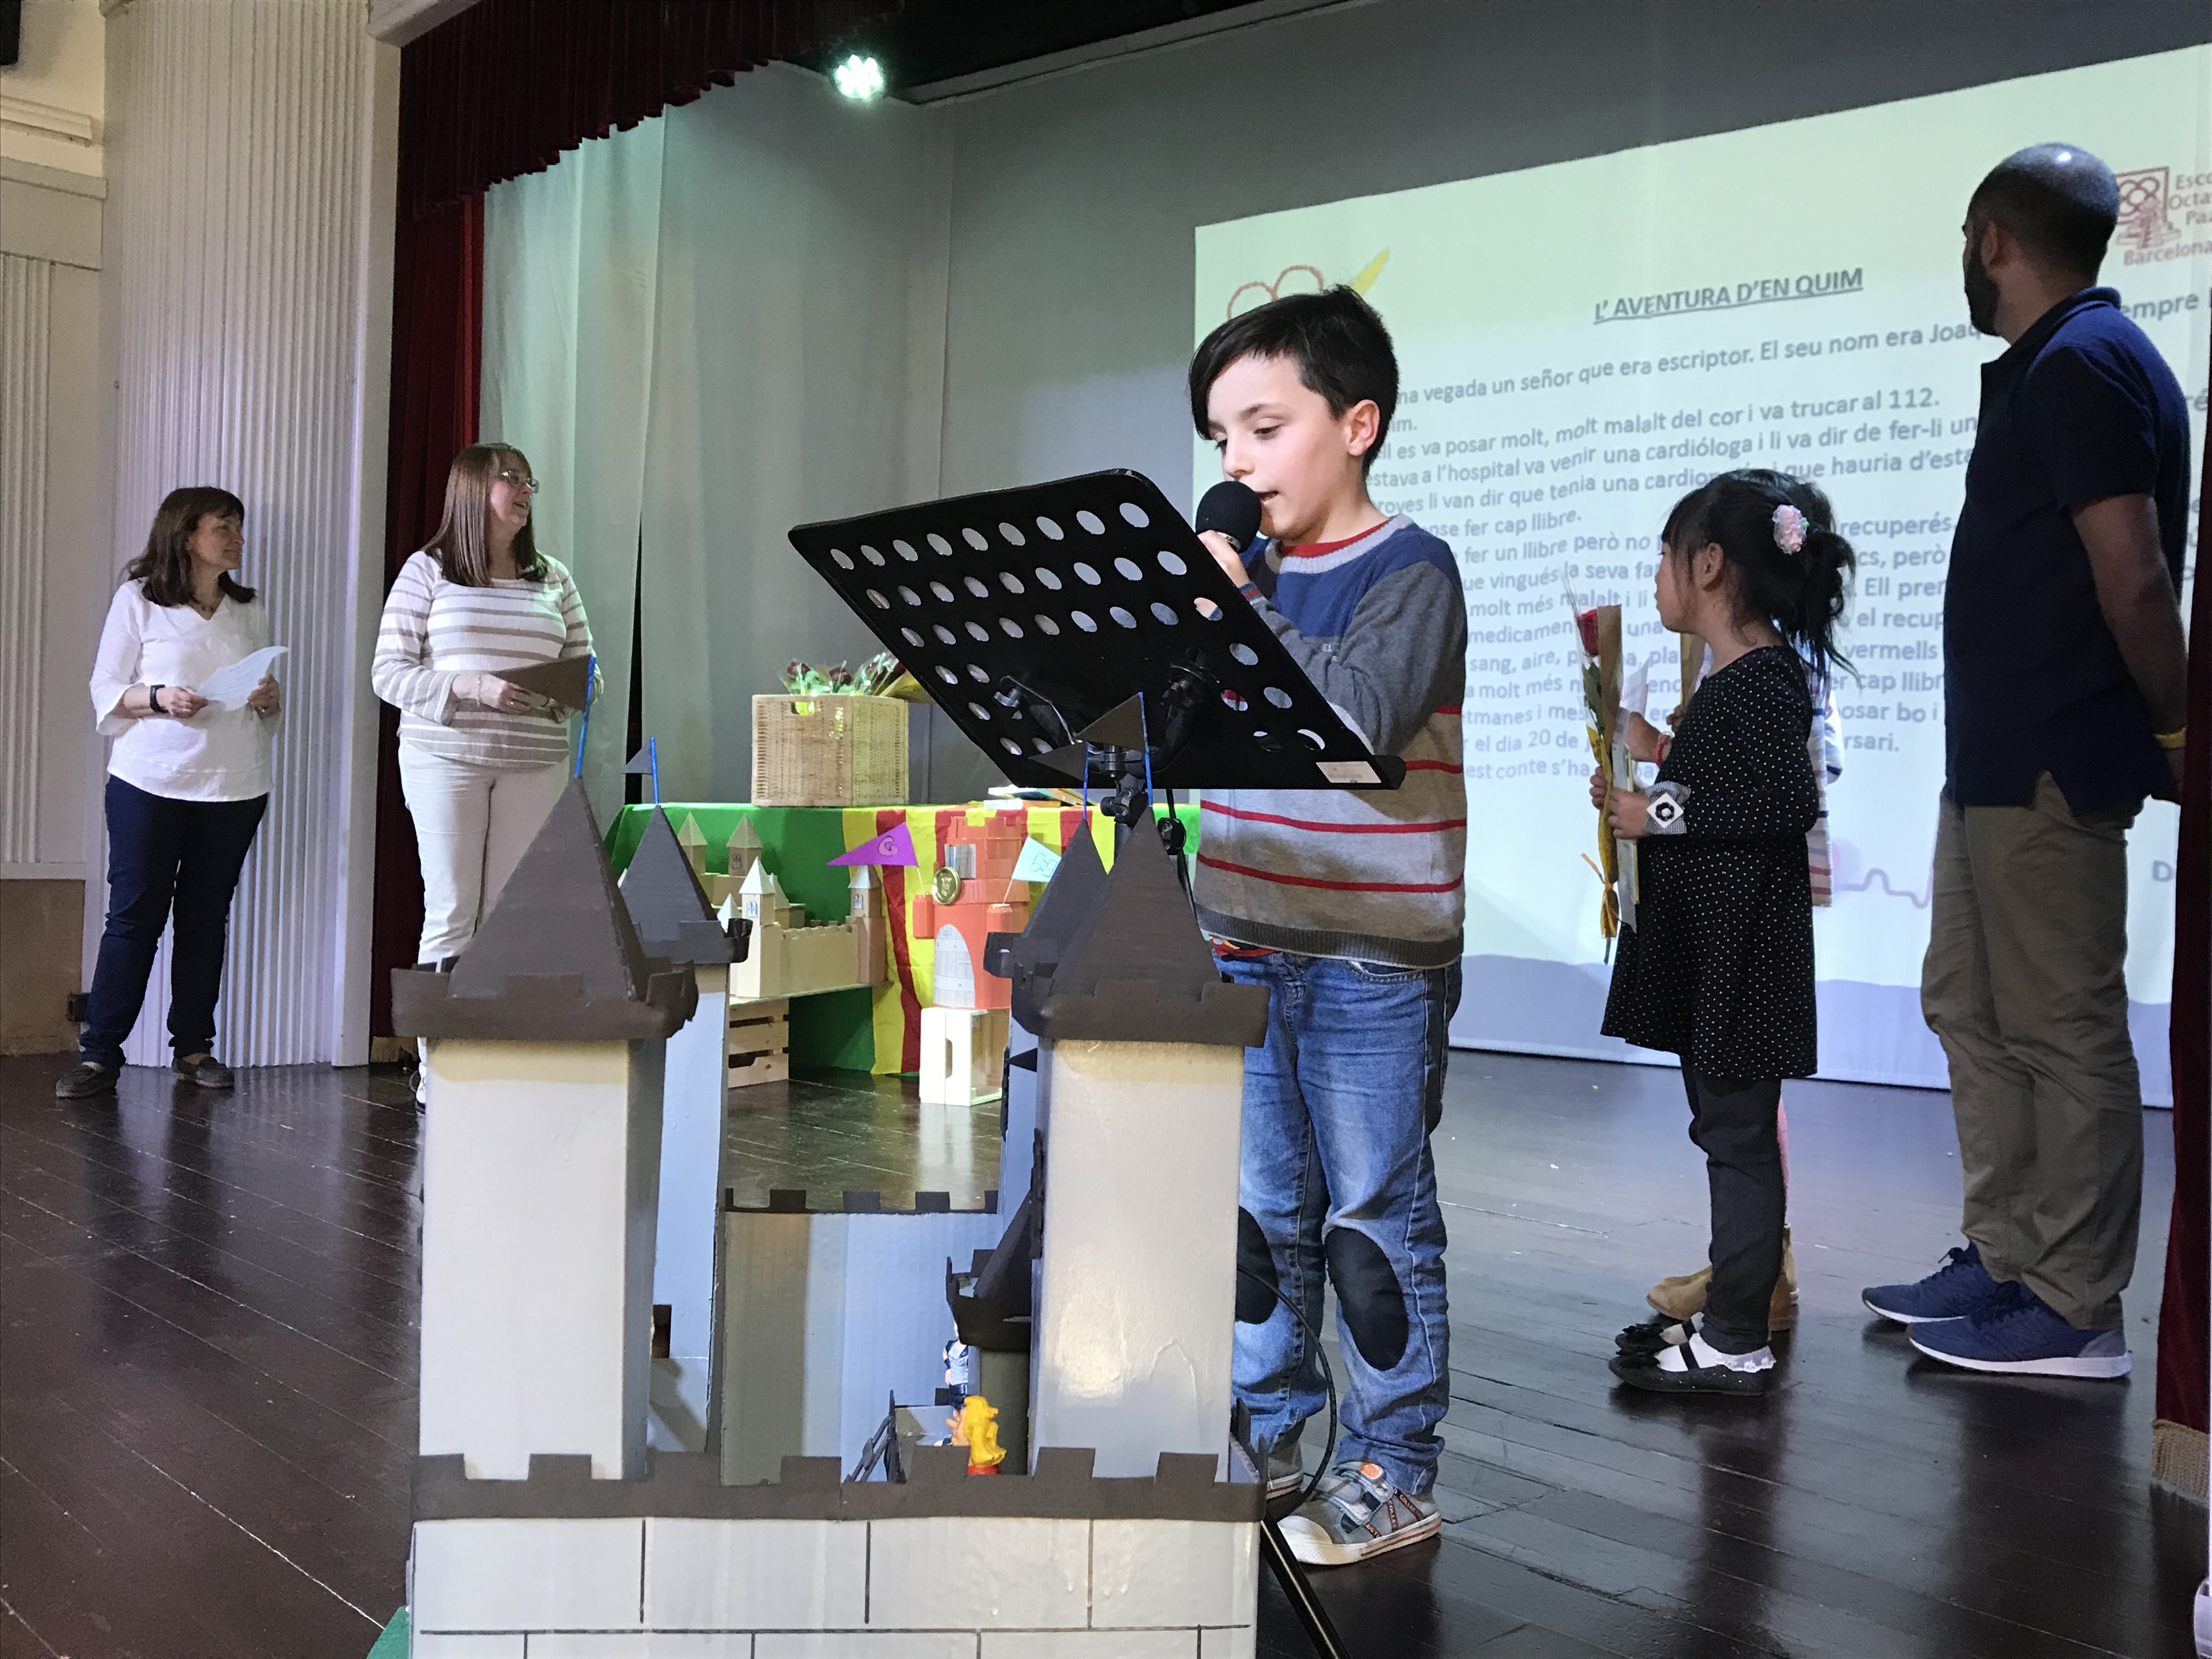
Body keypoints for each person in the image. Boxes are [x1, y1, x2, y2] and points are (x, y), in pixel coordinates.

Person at [1862, 144, 2188, 1379]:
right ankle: (2005, 1258)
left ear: (1992, 238)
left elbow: (2135, 576)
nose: (1964, 259)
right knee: (1969, 1005)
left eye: (1965, 239)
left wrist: (2178, 730)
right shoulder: (2060, 363)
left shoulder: (2088, 362)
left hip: (2055, 756)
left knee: (2063, 1026)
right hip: (1996, 762)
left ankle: (2075, 1304)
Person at [1188, 286, 1466, 1566]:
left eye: (1264, 428)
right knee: (1260, 1215)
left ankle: (1393, 1467)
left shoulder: (1409, 571)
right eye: (1222, 439)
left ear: (1357, 425)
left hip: (1370, 956)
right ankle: (1265, 1433)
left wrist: (1238, 612)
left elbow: (1355, 721)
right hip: (1242, 931)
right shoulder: (1242, 587)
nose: (1238, 463)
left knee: (1371, 1218)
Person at [1598, 470, 1852, 1397]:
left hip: (1745, 951)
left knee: (1737, 1138)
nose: (1657, 579)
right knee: (1726, 1130)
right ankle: (1727, 1318)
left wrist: (1656, 811)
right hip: (1720, 947)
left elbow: (1784, 803)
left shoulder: (1765, 677)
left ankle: (1739, 1333)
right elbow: (1732, 783)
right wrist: (1652, 760)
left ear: (1708, 565)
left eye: (1665, 558)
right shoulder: (1736, 678)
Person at [372, 444, 595, 1101]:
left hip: (535, 762)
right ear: (474, 489)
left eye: (530, 481)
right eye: (512, 480)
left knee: (509, 917)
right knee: (452, 909)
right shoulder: (428, 571)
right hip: (447, 759)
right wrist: (473, 686)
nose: (526, 492)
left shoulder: (553, 577)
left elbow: (589, 672)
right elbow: (388, 673)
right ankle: (440, 1067)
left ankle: (495, 1059)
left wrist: (557, 693)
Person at [57, 488, 283, 1099]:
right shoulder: (139, 600)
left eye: (239, 527)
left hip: (235, 785)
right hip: (150, 783)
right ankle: (100, 1054)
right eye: (223, 527)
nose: (237, 539)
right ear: (186, 536)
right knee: (134, 916)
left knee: (206, 918)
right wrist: (158, 698)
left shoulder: (248, 607)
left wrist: (269, 698)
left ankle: (193, 1048)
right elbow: (107, 687)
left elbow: (268, 703)